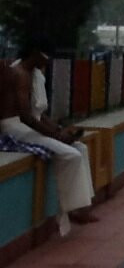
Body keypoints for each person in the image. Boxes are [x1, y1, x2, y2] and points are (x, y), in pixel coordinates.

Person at [0, 44, 97, 235]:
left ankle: (84, 208)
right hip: (14, 127)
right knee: (71, 155)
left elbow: (38, 114)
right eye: (46, 56)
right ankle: (68, 209)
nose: (48, 61)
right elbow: (25, 117)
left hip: (28, 125)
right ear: (35, 53)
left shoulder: (34, 75)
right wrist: (55, 136)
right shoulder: (18, 74)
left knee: (81, 149)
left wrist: (61, 131)